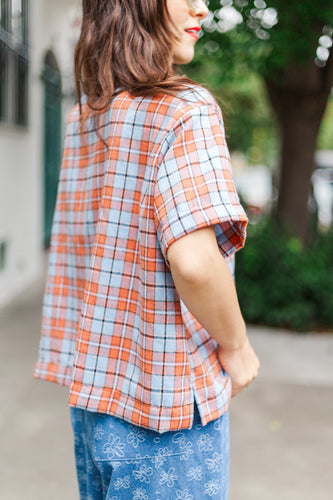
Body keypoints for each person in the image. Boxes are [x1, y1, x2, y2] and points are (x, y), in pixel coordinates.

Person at [34, 0, 260, 498]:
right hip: (168, 408)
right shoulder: (185, 110)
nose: (202, 7)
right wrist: (238, 347)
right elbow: (196, 263)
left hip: (96, 404)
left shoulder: (85, 118)